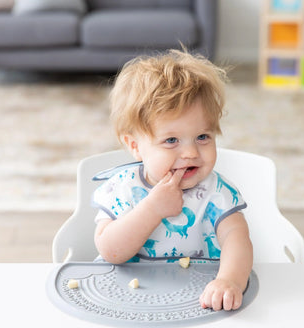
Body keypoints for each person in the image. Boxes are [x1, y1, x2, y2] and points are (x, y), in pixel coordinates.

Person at [92, 49, 253, 312]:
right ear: (134, 146)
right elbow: (111, 251)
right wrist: (152, 208)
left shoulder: (217, 192)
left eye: (203, 137)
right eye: (171, 141)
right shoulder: (123, 189)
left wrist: (228, 280)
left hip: (199, 300)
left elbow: (238, 239)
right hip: (127, 301)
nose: (190, 153)